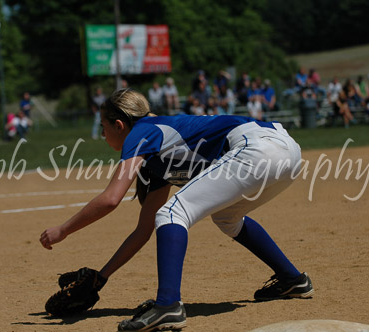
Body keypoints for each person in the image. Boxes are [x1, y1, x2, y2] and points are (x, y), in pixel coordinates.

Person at [39, 88, 314, 331]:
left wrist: (63, 230)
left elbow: (111, 198)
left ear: (120, 125)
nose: (102, 134)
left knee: (172, 214)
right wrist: (101, 277)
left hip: (257, 149)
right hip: (286, 152)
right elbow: (143, 231)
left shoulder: (142, 131)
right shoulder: (158, 160)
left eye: (103, 126)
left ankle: (168, 305)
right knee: (226, 217)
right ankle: (293, 280)